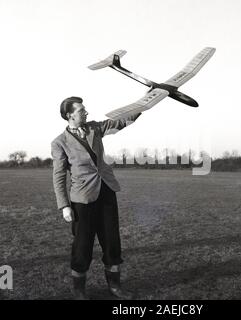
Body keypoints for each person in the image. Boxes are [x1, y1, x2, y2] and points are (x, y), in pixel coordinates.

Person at [51, 96, 141, 300]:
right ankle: (79, 290)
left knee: (112, 242)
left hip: (106, 192)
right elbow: (58, 176)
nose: (86, 112)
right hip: (82, 199)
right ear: (69, 115)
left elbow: (119, 122)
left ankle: (115, 287)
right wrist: (64, 205)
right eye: (81, 110)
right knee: (82, 246)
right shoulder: (59, 143)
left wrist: (144, 105)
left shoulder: (95, 128)